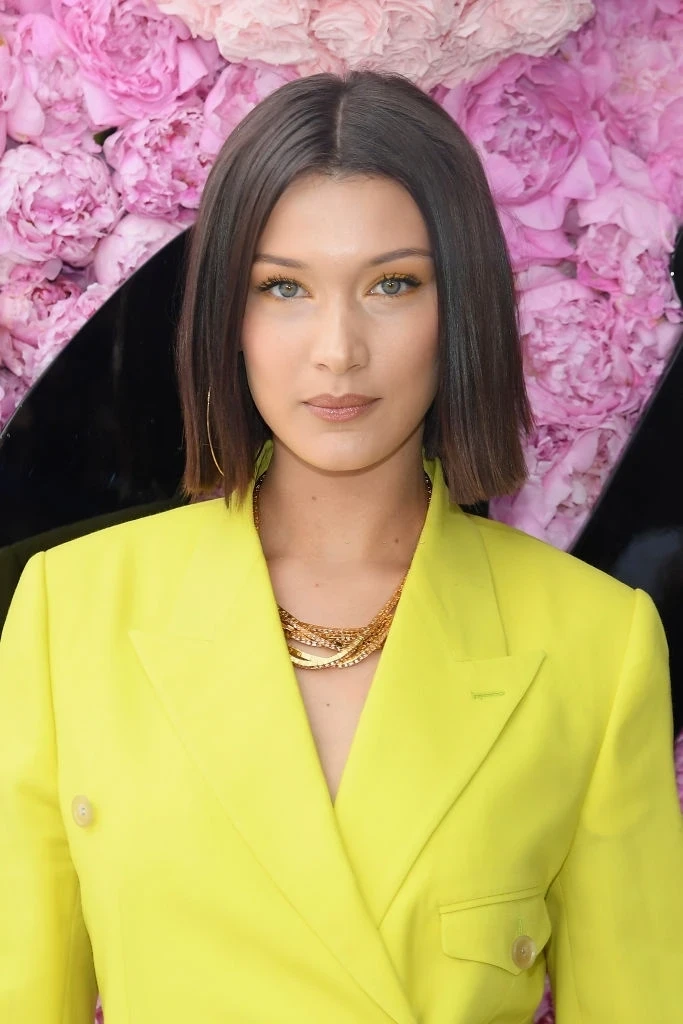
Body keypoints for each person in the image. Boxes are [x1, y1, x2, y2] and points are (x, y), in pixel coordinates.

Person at [1, 69, 681, 1024]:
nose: (337, 349)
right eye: (282, 287)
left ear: (461, 308)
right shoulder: (70, 611)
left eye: (392, 284)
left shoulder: (594, 643)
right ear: (227, 317)